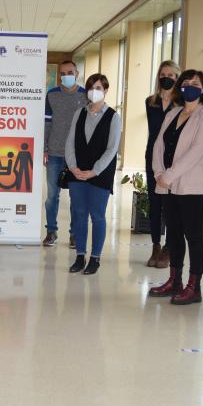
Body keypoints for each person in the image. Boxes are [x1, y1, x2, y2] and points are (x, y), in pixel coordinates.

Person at [148, 69, 203, 305]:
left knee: (193, 235)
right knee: (174, 235)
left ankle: (193, 287)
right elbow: (158, 144)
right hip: (168, 185)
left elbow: (197, 151)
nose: (190, 86)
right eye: (186, 82)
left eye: (196, 83)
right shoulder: (173, 113)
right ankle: (174, 281)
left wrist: (169, 175)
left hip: (193, 186)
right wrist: (159, 172)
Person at [63, 74, 122, 275]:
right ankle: (80, 256)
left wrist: (94, 171)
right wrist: (73, 167)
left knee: (97, 216)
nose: (93, 91)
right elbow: (70, 142)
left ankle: (95, 258)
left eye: (98, 87)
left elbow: (112, 149)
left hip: (100, 174)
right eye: (90, 87)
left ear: (106, 90)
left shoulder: (114, 117)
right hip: (77, 173)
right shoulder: (79, 113)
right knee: (79, 214)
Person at [43, 60, 88, 247]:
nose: (66, 76)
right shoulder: (52, 95)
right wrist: (45, 148)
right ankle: (51, 232)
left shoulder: (86, 95)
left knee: (76, 197)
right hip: (54, 153)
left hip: (76, 156)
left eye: (70, 72)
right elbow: (46, 123)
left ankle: (74, 234)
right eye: (62, 73)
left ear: (77, 73)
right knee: (52, 196)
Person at [144, 61, 180, 268]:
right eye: (163, 74)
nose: (167, 78)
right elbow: (154, 131)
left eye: (171, 75)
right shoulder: (150, 102)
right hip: (152, 157)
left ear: (177, 78)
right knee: (155, 203)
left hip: (174, 160)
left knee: (171, 205)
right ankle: (155, 245)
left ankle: (169, 247)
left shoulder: (183, 104)